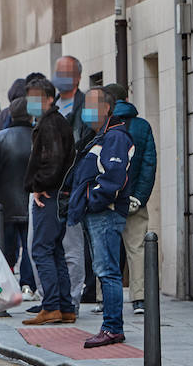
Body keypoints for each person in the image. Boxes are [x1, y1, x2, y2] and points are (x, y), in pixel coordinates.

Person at [67, 88, 136, 348]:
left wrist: (91, 201)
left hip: (105, 214)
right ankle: (111, 326)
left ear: (107, 108)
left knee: (108, 272)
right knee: (104, 270)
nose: (87, 111)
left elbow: (114, 177)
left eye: (92, 106)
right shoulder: (102, 136)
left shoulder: (115, 137)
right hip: (98, 213)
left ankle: (112, 328)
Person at [22, 77, 76, 326]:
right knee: (54, 250)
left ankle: (52, 306)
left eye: (36, 98)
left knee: (41, 249)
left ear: (49, 99)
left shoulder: (50, 124)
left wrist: (39, 186)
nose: (31, 103)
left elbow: (52, 160)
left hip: (50, 195)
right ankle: (64, 307)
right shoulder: (54, 121)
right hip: (58, 194)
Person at [103, 83, 157, 315]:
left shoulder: (103, 126)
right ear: (127, 97)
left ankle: (103, 298)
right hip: (134, 198)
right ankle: (139, 299)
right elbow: (148, 164)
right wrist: (140, 197)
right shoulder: (143, 126)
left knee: (106, 249)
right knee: (137, 249)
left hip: (106, 199)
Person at [0, 79, 37, 298]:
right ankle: (27, 285)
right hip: (30, 201)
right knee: (30, 246)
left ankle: (5, 285)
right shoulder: (37, 137)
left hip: (3, 204)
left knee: (4, 246)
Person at [53, 54, 90, 308]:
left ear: (77, 76)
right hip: (50, 186)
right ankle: (54, 299)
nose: (60, 77)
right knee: (48, 246)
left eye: (65, 72)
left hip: (75, 184)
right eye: (58, 71)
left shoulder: (86, 106)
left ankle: (73, 300)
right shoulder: (49, 106)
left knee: (74, 247)